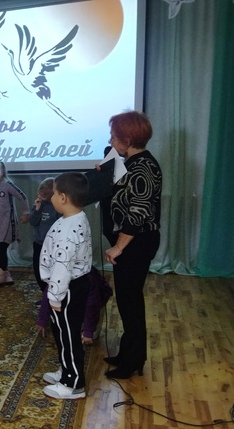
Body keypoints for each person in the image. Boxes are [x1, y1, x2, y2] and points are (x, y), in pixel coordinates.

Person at [102, 111, 162, 379]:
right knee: (127, 300)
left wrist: (119, 247)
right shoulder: (131, 162)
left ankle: (134, 359)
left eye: (114, 137)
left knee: (131, 301)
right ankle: (127, 353)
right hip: (131, 243)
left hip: (136, 244)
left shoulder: (143, 167)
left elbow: (138, 212)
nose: (111, 141)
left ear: (127, 139)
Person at [39, 172, 93, 400]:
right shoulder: (75, 217)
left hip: (67, 289)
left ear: (63, 197)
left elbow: (63, 265)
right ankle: (66, 370)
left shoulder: (69, 229)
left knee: (68, 335)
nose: (51, 198)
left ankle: (73, 384)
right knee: (62, 332)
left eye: (53, 194)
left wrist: (54, 296)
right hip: (70, 286)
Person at [0, 160, 30, 286]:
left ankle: (0, 274)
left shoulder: (8, 185)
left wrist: (25, 212)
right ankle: (6, 275)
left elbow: (22, 197)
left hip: (7, 223)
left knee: (1, 248)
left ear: (2, 171)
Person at [28, 177, 60, 297]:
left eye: (43, 195)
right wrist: (37, 210)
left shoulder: (57, 207)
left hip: (52, 245)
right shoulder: (39, 205)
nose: (40, 197)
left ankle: (53, 295)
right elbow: (32, 221)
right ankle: (45, 295)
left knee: (51, 271)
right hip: (39, 243)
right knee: (38, 271)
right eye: (39, 194)